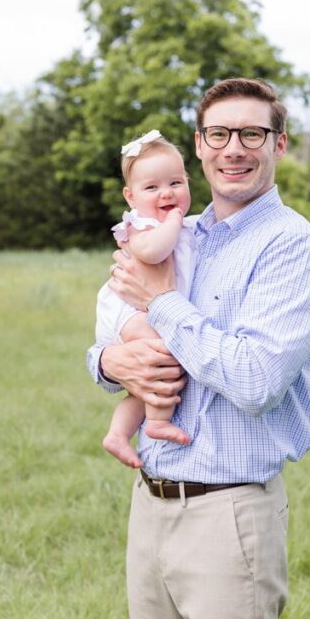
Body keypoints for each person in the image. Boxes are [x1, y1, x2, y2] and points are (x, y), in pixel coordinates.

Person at [86, 78, 310, 619]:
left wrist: (162, 302)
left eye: (252, 133)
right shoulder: (180, 237)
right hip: (149, 504)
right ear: (199, 145)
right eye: (219, 133)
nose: (234, 148)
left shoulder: (290, 246)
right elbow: (115, 325)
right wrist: (105, 361)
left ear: (279, 145)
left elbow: (254, 381)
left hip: (227, 516)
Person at [96, 129, 195, 468]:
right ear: (131, 196)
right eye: (152, 187)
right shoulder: (141, 226)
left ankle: (118, 433)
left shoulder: (184, 230)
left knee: (142, 381)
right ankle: (157, 422)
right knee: (161, 358)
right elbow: (152, 254)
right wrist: (175, 220)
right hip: (130, 310)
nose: (166, 193)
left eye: (175, 183)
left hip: (149, 308)